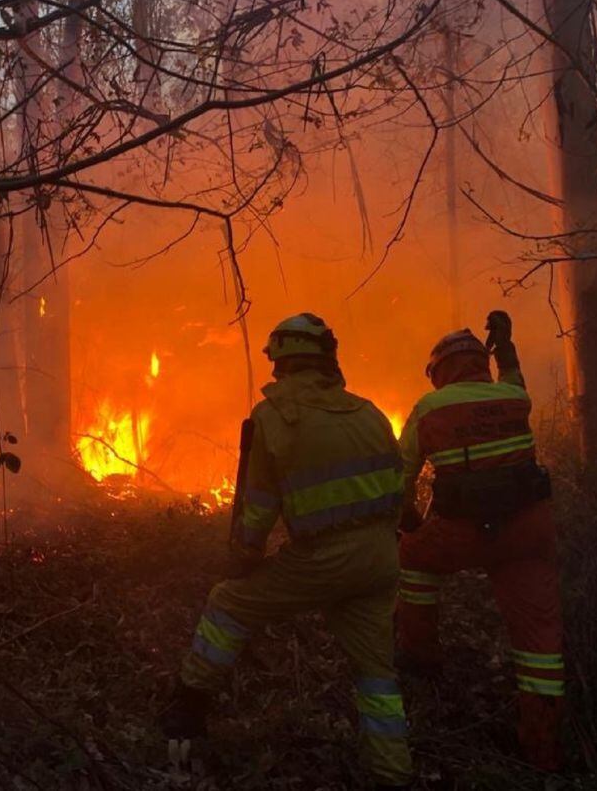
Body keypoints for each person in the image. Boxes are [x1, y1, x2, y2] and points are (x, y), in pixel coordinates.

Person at [160, 313, 414, 789]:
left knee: (229, 602)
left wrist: (246, 554)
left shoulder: (275, 416)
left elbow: (258, 505)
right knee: (377, 675)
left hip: (324, 558)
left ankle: (188, 706)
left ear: (282, 362)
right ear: (326, 359)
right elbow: (399, 488)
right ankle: (393, 773)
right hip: (381, 557)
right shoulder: (369, 412)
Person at [396, 311, 563, 771]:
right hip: (527, 531)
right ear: (480, 363)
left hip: (461, 532)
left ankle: (420, 656)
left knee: (412, 560)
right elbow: (514, 378)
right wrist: (506, 346)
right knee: (540, 643)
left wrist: (408, 521)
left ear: (439, 373)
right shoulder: (512, 395)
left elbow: (401, 474)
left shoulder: (431, 409)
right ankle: (542, 749)